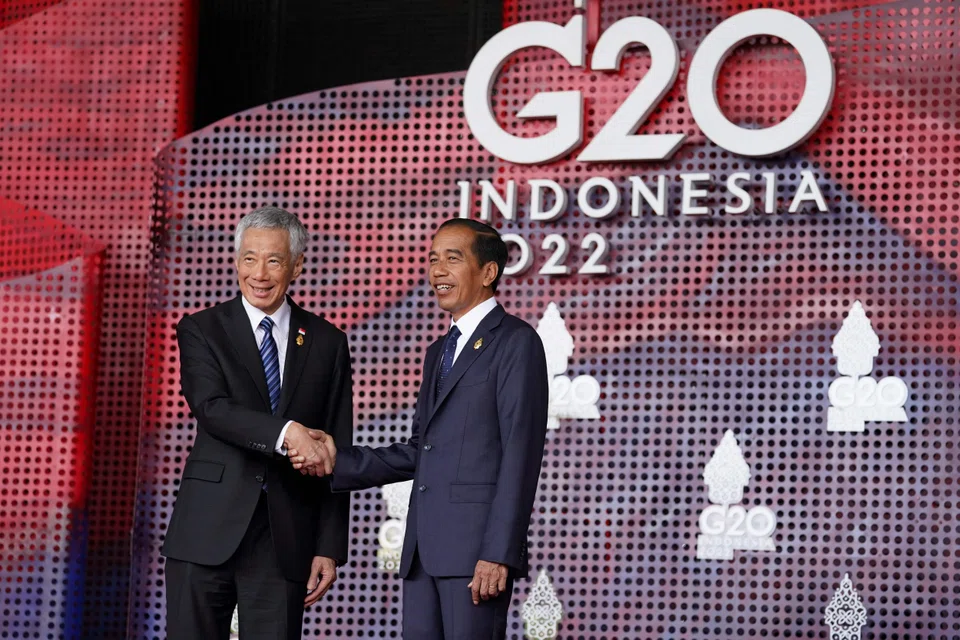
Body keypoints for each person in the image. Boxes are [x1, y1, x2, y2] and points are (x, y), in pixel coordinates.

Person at [292, 218, 549, 639]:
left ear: (488, 272)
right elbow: (421, 448)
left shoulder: (516, 342)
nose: (437, 270)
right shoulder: (438, 351)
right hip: (422, 553)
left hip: (475, 556)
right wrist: (337, 459)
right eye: (432, 259)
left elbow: (521, 454)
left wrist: (498, 553)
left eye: (453, 258)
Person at [162, 206, 350, 640]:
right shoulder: (202, 328)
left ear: (297, 265)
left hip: (284, 539)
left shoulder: (327, 342)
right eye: (249, 258)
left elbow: (337, 445)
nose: (259, 274)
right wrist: (288, 434)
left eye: (273, 260)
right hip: (205, 530)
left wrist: (328, 547)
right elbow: (212, 408)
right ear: (236, 261)